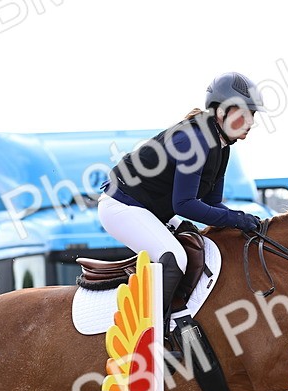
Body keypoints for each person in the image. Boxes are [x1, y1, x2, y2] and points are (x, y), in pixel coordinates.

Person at [100, 71, 264, 327]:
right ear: (221, 112)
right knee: (175, 257)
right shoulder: (195, 140)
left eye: (253, 115)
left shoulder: (221, 147)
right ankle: (152, 333)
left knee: (205, 248)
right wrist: (237, 219)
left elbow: (212, 205)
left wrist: (244, 221)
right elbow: (185, 205)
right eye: (245, 113)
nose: (251, 122)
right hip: (121, 205)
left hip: (147, 209)